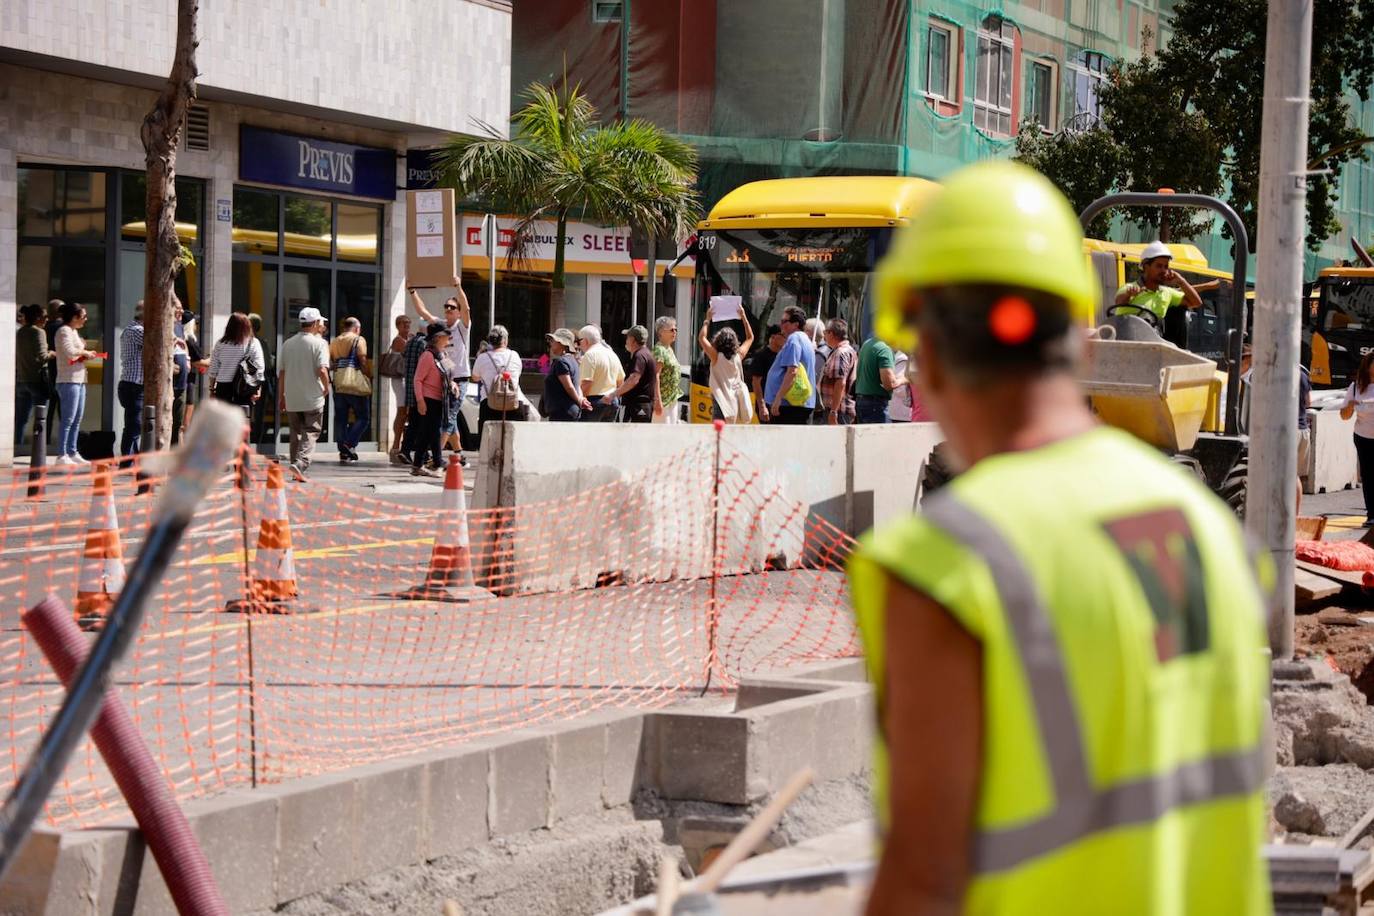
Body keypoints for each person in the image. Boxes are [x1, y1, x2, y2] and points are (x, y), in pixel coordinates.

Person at [852, 161, 1270, 914]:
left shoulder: (947, 565)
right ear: (1083, 343)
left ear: (930, 357)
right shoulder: (1208, 531)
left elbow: (922, 878)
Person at [409, 276, 471, 455]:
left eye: (452, 307)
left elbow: (466, 308)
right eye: (446, 307)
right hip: (446, 379)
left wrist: (458, 286)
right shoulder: (441, 327)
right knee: (449, 418)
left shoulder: (462, 327)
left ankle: (435, 457)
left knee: (448, 418)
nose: (448, 310)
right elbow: (423, 311)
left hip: (459, 379)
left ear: (458, 313)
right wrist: (412, 291)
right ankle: (459, 454)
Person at [278, 306, 331, 481]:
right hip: (312, 397)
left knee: (296, 433)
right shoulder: (320, 344)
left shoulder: (287, 343)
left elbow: (282, 373)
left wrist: (281, 397)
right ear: (315, 323)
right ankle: (301, 464)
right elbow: (322, 370)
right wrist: (327, 386)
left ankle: (296, 468)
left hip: (292, 396)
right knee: (311, 431)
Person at [1113, 240, 1203, 324]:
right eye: (1159, 266)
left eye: (1166, 266)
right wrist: (1129, 295)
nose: (1164, 270)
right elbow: (1118, 303)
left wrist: (1181, 281)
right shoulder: (1130, 288)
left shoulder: (1167, 293)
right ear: (1146, 266)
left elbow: (1196, 302)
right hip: (1126, 338)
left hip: (1154, 339)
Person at [53, 302, 98, 465]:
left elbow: (76, 351)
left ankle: (72, 451)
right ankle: (62, 454)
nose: (85, 319)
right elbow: (70, 352)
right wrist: (86, 352)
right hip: (68, 380)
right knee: (68, 419)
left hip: (79, 379)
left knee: (77, 418)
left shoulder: (74, 331)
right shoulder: (64, 330)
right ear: (74, 317)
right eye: (83, 316)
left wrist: (86, 352)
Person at [411, 322, 455, 478]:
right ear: (438, 338)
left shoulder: (442, 355)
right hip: (429, 399)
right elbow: (417, 380)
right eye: (446, 335)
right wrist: (420, 401)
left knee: (425, 433)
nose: (449, 338)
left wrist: (453, 384)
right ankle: (437, 462)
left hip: (439, 400)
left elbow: (447, 376)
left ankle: (418, 464)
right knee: (434, 432)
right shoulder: (427, 356)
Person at [472, 324, 531, 436]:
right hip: (513, 403)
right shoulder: (515, 356)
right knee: (513, 442)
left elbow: (475, 377)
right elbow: (517, 374)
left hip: (489, 404)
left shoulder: (482, 357)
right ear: (505, 340)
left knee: (488, 443)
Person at [328, 316, 372, 463]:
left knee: (341, 418)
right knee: (364, 417)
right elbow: (363, 361)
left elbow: (332, 363)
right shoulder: (358, 340)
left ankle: (343, 452)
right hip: (355, 384)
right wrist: (368, 376)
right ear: (357, 328)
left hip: (339, 384)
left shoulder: (334, 342)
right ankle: (349, 443)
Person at [764, 305, 816, 425]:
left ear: (796, 324)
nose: (781, 324)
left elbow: (792, 371)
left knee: (782, 443)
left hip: (789, 406)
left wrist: (778, 399)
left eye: (784, 321)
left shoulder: (794, 339)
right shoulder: (805, 339)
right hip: (798, 404)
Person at [699, 313, 754, 424]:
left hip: (720, 402)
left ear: (717, 341)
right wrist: (743, 316)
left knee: (719, 435)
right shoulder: (739, 356)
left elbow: (702, 338)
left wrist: (707, 319)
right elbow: (750, 337)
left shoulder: (715, 357)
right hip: (735, 401)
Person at [208, 312, 265, 417]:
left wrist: (212, 390)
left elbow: (213, 370)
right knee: (242, 422)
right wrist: (257, 388)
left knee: (223, 422)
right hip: (244, 387)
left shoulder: (220, 343)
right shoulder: (253, 343)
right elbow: (259, 368)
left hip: (223, 388)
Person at [1342, 352, 1374, 525]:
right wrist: (1349, 407)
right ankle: (1371, 514)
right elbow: (1344, 416)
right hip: (1363, 437)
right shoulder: (1356, 387)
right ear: (1368, 366)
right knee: (1368, 477)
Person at [395, 320, 432, 466]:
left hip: (410, 387)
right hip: (422, 390)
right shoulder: (424, 345)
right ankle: (423, 455)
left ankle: (405, 450)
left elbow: (404, 356)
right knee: (424, 423)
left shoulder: (410, 342)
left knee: (413, 422)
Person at [15, 303, 51, 445]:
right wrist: (53, 353)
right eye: (45, 317)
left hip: (22, 380)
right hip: (37, 381)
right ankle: (39, 450)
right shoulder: (38, 332)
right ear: (37, 318)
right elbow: (42, 356)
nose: (47, 319)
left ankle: (18, 446)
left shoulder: (21, 331)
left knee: (21, 420)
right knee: (40, 419)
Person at [611, 325, 660, 423]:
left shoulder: (639, 356)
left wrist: (615, 393)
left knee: (635, 435)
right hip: (643, 405)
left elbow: (634, 378)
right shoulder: (647, 354)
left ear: (633, 340)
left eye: (627, 338)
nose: (626, 341)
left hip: (638, 406)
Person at [576, 325, 625, 421]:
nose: (579, 345)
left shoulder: (590, 355)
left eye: (579, 341)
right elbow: (621, 381)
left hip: (594, 402)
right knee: (605, 435)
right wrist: (614, 397)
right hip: (612, 401)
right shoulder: (612, 354)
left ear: (585, 341)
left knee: (588, 434)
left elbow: (587, 382)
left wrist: (580, 400)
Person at [543, 328, 591, 421]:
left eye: (553, 341)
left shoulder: (561, 362)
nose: (551, 343)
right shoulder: (573, 361)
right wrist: (580, 399)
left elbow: (569, 387)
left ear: (562, 343)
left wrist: (580, 401)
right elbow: (577, 386)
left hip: (562, 412)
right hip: (569, 411)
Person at [385, 314, 414, 463]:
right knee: (402, 411)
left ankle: (398, 445)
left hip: (406, 379)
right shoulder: (399, 341)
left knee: (405, 412)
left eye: (408, 322)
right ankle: (395, 445)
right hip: (399, 379)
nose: (407, 325)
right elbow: (410, 352)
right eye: (404, 323)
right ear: (397, 325)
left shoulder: (409, 339)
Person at [117, 301, 145, 456]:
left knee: (133, 424)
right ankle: (127, 460)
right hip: (134, 384)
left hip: (131, 383)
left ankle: (130, 458)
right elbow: (158, 342)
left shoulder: (132, 329)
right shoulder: (137, 330)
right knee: (134, 425)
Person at [853, 335, 900, 424]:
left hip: (861, 401)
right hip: (876, 405)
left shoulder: (867, 344)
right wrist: (905, 378)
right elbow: (889, 384)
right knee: (881, 436)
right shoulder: (884, 349)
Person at [820, 318, 857, 426]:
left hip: (839, 411)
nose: (824, 336)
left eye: (825, 332)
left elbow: (840, 383)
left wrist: (833, 411)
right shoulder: (843, 350)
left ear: (831, 333)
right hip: (839, 410)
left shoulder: (841, 352)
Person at [749, 324, 784, 422]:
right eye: (782, 335)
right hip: (767, 405)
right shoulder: (761, 356)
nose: (786, 337)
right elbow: (756, 382)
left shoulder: (784, 355)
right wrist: (762, 406)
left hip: (781, 404)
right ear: (773, 337)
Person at [652, 316, 683, 424]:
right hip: (663, 400)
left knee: (671, 433)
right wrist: (657, 400)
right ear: (661, 332)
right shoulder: (660, 350)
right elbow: (655, 375)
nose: (674, 332)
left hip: (672, 399)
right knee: (661, 435)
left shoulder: (668, 349)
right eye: (671, 330)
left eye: (676, 329)